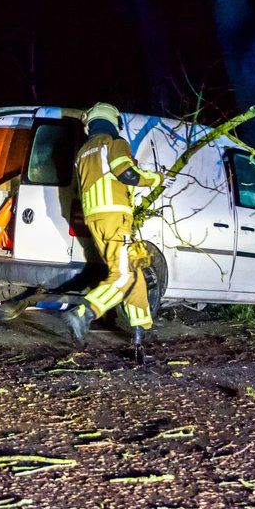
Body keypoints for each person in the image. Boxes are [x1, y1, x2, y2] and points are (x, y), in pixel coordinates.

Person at [64, 102, 164, 346]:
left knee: (134, 274)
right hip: (115, 218)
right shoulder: (114, 143)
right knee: (123, 276)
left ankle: (143, 329)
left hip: (95, 220)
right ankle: (85, 312)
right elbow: (126, 174)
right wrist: (154, 178)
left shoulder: (82, 152)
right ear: (113, 122)